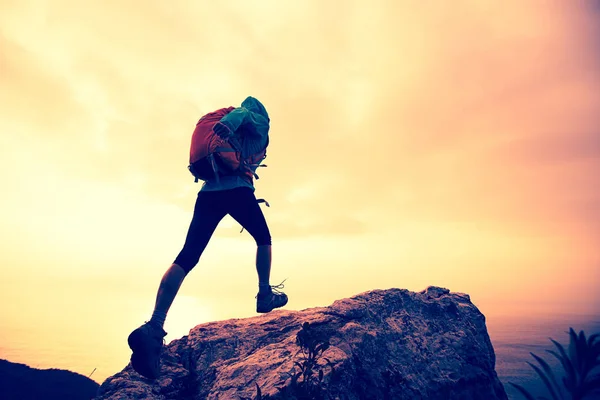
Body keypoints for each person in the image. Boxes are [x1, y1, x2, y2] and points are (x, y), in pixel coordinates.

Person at [127, 96, 288, 380]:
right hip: (237, 190)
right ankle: (264, 293)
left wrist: (225, 127)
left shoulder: (222, 131)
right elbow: (242, 113)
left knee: (187, 256)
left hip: (208, 192)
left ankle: (154, 326)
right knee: (263, 238)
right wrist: (228, 125)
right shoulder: (256, 118)